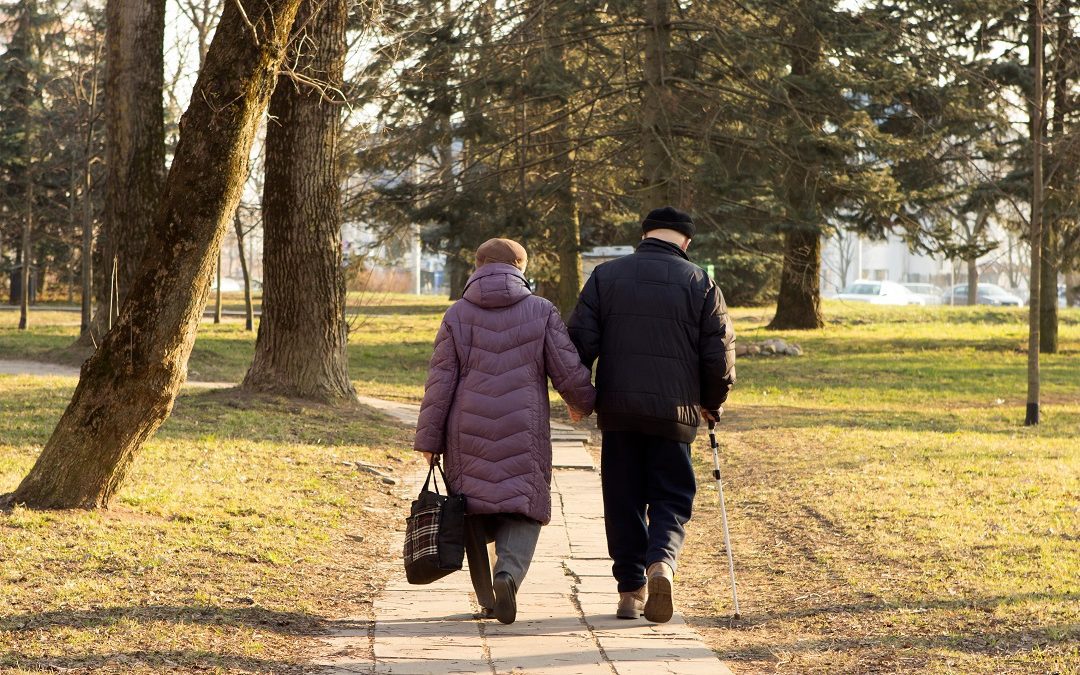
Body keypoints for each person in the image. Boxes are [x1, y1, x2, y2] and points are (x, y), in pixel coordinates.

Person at [414, 238, 596, 625]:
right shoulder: (541, 310)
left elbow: (440, 381)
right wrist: (582, 402)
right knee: (523, 505)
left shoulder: (457, 314)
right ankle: (508, 575)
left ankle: (488, 599)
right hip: (522, 425)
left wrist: (429, 441)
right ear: (520, 266)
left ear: (477, 266)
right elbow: (566, 368)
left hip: (466, 429)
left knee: (472, 511)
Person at [567, 206, 735, 623]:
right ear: (686, 241)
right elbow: (719, 357)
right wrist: (712, 402)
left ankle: (629, 592)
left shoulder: (606, 277)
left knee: (622, 498)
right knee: (671, 496)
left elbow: (577, 346)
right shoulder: (700, 282)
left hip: (619, 412)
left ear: (643, 234)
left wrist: (579, 396)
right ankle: (661, 563)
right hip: (674, 414)